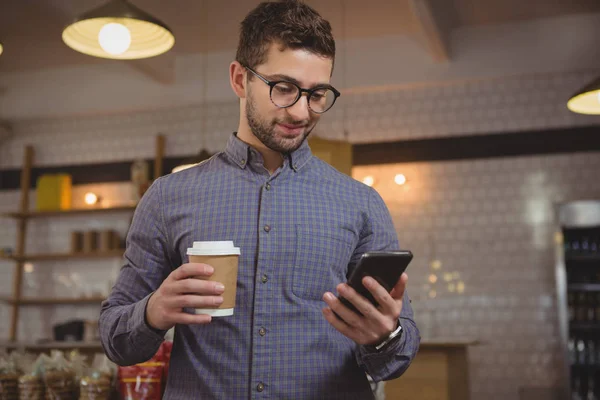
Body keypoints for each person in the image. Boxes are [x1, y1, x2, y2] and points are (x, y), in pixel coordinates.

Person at [99, 1, 420, 398]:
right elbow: (116, 340)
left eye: (317, 93)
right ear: (239, 79)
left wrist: (384, 337)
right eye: (283, 88)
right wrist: (151, 312)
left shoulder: (362, 204)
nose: (302, 111)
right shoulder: (167, 197)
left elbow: (397, 357)